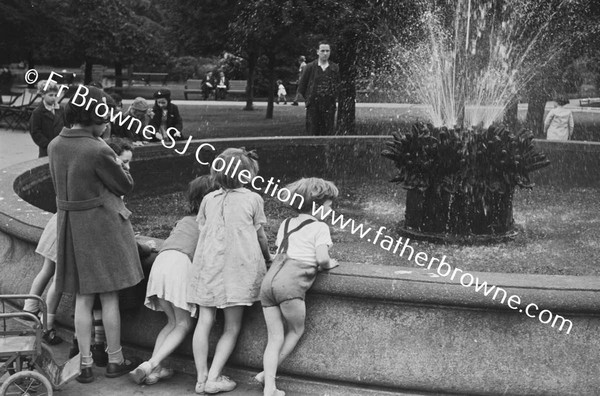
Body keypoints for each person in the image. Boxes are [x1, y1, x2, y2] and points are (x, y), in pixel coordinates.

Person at [48, 85, 144, 384]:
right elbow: (124, 185)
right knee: (110, 296)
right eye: (104, 116)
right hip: (102, 227)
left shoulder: (55, 144)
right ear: (93, 116)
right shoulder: (98, 148)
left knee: (83, 298)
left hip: (71, 226)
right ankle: (115, 359)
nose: (107, 123)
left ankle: (84, 363)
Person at [189, 148, 271, 394]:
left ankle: (201, 377)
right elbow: (260, 235)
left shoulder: (208, 199)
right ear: (247, 175)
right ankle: (214, 376)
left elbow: (204, 230)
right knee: (232, 326)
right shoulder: (253, 199)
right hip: (237, 270)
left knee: (204, 321)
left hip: (209, 268)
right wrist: (268, 258)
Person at [129, 175, 218, 386]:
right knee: (184, 324)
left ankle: (155, 370)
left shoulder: (184, 220)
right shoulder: (208, 223)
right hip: (180, 265)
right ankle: (150, 364)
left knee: (171, 322)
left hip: (161, 262)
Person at [256, 178, 339, 396]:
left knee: (274, 338)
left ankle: (268, 382)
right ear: (317, 206)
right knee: (295, 329)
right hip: (290, 285)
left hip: (269, 281)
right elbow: (322, 259)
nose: (331, 210)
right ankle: (267, 379)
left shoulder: (286, 223)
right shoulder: (320, 227)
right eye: (329, 205)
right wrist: (331, 263)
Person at [22, 212, 64, 345]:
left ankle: (30, 307)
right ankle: (47, 326)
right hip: (66, 228)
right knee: (60, 278)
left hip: (56, 223)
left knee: (47, 269)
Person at [298, 41, 340, 136]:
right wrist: (309, 100)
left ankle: (327, 150)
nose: (325, 53)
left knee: (328, 133)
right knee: (312, 132)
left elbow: (337, 86)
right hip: (313, 106)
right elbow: (302, 87)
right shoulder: (309, 67)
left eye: (327, 51)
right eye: (322, 51)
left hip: (329, 106)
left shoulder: (334, 68)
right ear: (317, 52)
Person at [29, 80, 65, 157]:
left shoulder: (61, 109)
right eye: (50, 95)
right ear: (43, 95)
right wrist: (46, 144)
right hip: (46, 149)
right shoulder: (38, 112)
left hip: (61, 147)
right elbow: (35, 131)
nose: (54, 98)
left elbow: (66, 125)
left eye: (55, 95)